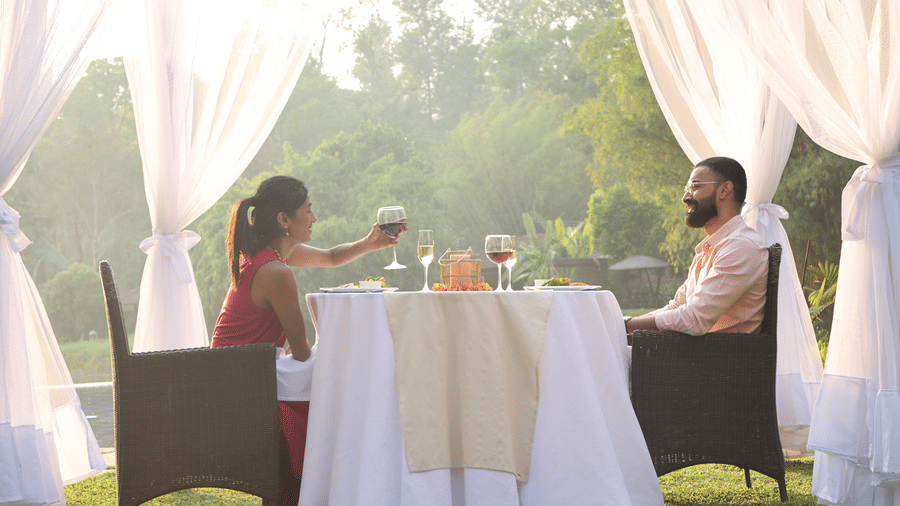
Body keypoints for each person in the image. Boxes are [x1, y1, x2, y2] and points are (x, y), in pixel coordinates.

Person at [210, 175, 400, 506]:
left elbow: (330, 257)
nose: (314, 218)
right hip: (243, 385)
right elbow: (300, 352)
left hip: (238, 374)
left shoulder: (269, 256)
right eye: (308, 210)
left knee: (337, 377)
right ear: (284, 220)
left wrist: (369, 243)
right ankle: (342, 482)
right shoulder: (276, 272)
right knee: (341, 382)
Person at [625, 156, 768, 336]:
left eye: (695, 187)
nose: (685, 198)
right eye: (687, 190)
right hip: (695, 350)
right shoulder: (711, 247)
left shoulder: (742, 247)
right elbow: (677, 306)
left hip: (717, 353)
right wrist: (626, 326)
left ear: (724, 190)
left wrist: (626, 326)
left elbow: (694, 319)